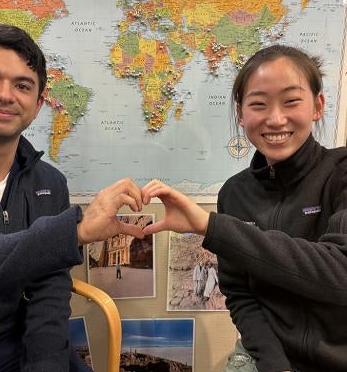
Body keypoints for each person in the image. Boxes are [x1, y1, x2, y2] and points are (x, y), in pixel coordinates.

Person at [142, 45, 347, 372]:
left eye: (291, 101)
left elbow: (341, 274)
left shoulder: (340, 172)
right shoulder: (234, 193)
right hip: (266, 356)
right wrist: (275, 365)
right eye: (258, 104)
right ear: (241, 113)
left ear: (317, 105)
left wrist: (214, 228)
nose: (276, 118)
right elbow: (239, 294)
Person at [0, 23, 144, 372]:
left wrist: (46, 364)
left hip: (14, 345)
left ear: (37, 106)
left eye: (22, 86)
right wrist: (74, 231)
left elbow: (50, 291)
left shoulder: (49, 182)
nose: (5, 95)